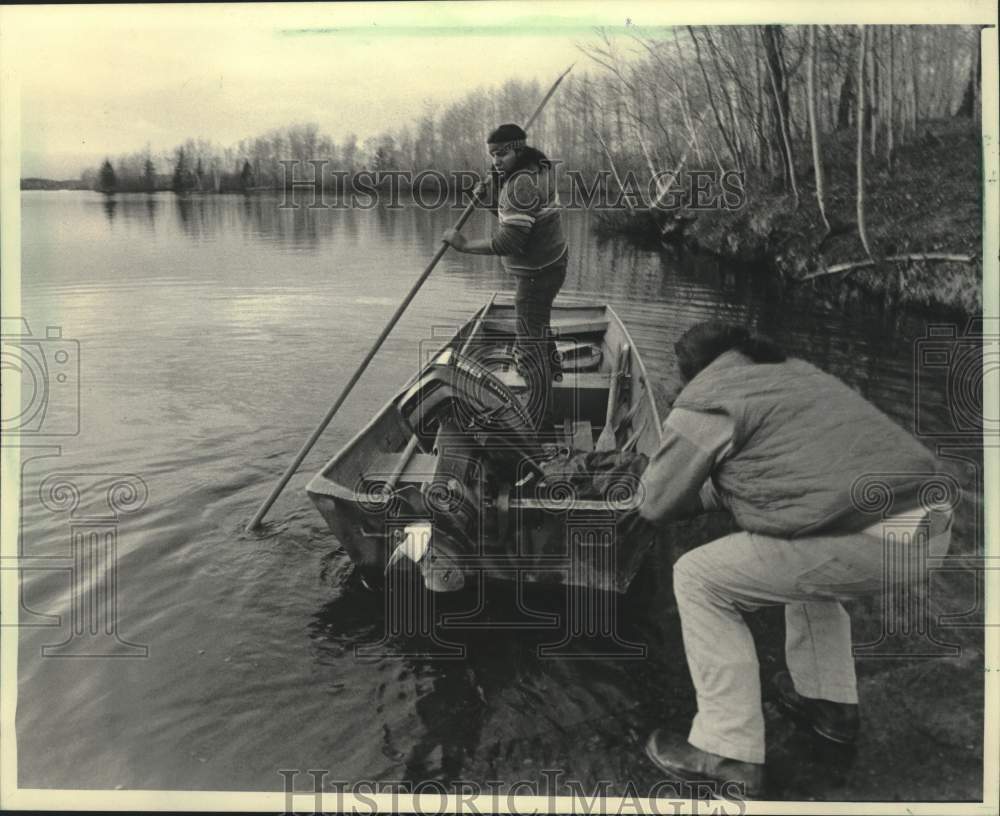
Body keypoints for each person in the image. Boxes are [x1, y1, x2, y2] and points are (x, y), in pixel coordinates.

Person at [637, 321, 954, 799]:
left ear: (692, 371)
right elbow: (794, 472)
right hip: (930, 523)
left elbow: (655, 503)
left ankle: (728, 753)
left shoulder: (707, 397)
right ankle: (829, 705)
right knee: (800, 563)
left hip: (874, 536)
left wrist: (645, 487)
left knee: (698, 577)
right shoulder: (794, 374)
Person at [442, 123, 567, 428]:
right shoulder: (537, 170)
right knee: (538, 326)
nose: (496, 161)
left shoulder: (518, 186)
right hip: (552, 263)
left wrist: (464, 245)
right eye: (492, 155)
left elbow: (509, 241)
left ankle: (537, 418)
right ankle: (553, 373)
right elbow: (517, 220)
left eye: (502, 154)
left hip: (537, 274)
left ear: (519, 150)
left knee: (528, 346)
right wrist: (489, 201)